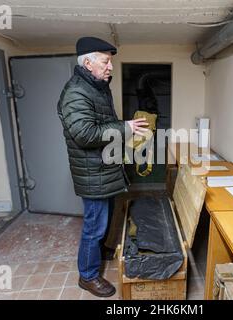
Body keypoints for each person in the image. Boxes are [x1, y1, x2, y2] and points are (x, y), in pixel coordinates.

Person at [57, 37, 148, 297]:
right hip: (93, 171)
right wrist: (125, 128)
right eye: (106, 61)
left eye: (110, 62)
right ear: (88, 63)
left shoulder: (97, 87)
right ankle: (87, 276)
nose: (110, 67)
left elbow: (102, 123)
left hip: (103, 167)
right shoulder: (76, 92)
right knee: (94, 225)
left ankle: (99, 250)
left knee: (104, 218)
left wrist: (125, 129)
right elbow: (84, 134)